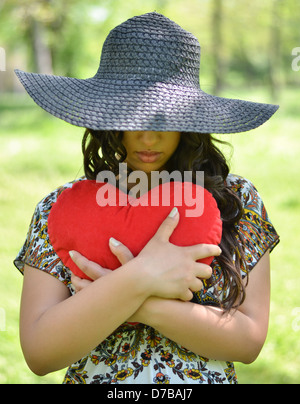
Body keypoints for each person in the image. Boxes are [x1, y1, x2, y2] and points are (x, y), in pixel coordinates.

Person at [14, 12, 280, 384]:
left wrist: (123, 294)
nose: (148, 137)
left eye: (163, 118)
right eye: (131, 116)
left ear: (190, 118)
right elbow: (40, 353)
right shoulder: (62, 210)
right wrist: (141, 277)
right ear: (105, 115)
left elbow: (249, 340)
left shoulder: (235, 200)